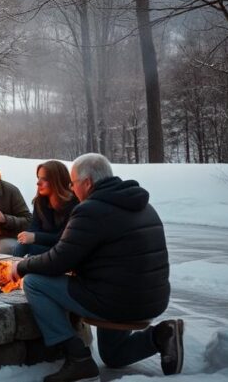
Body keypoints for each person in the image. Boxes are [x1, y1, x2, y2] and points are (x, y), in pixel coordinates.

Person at [10, 153, 182, 382]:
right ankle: (163, 334)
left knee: (35, 283)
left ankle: (78, 359)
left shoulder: (90, 210)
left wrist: (23, 266)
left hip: (114, 299)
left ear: (88, 182)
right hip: (150, 299)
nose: (72, 189)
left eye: (73, 183)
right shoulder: (143, 205)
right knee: (113, 355)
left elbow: (58, 260)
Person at [14, 160, 79, 257]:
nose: (38, 183)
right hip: (46, 248)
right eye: (38, 178)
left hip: (65, 252)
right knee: (22, 246)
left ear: (57, 181)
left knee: (29, 254)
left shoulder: (74, 204)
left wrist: (35, 237)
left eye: (44, 179)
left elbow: (63, 238)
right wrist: (27, 236)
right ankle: (12, 271)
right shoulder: (40, 202)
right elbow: (33, 228)